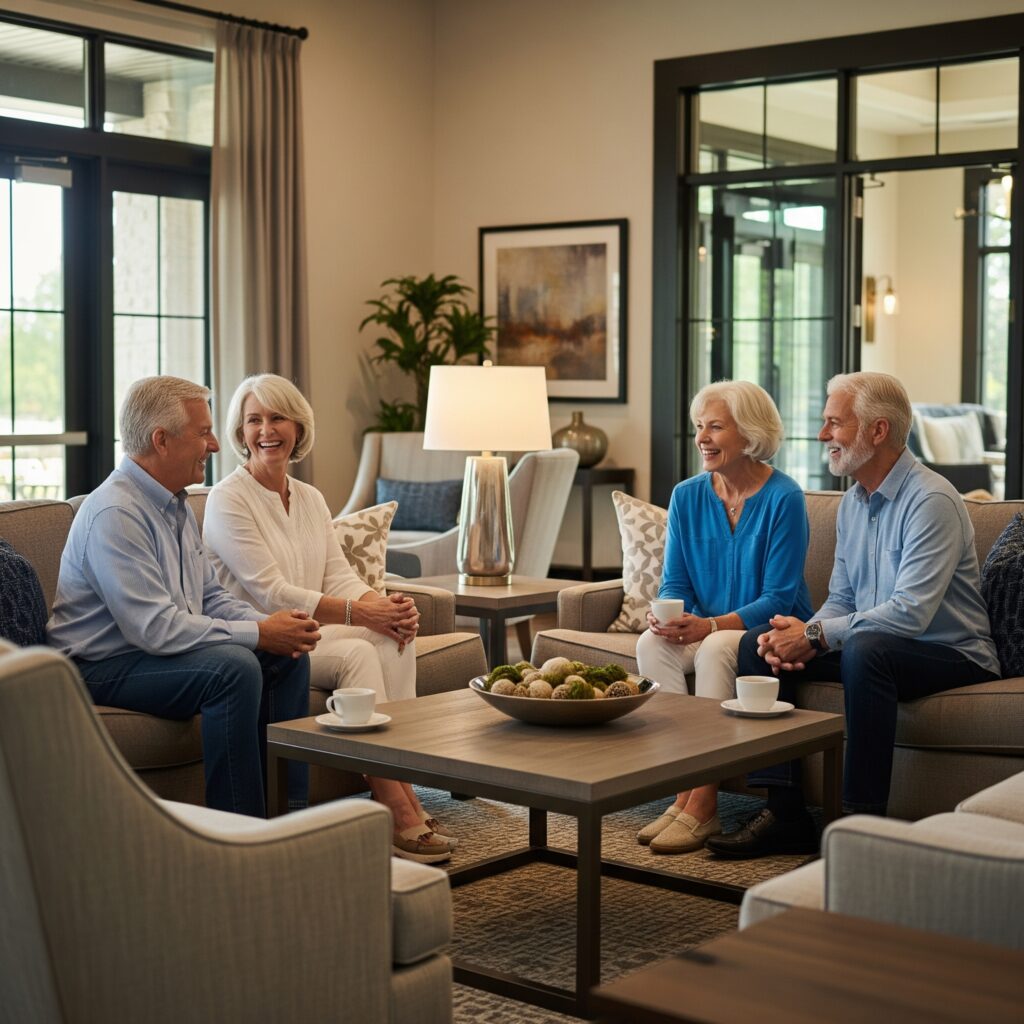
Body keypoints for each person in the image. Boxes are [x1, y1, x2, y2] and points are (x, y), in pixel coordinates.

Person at [707, 372, 1000, 859]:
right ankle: (786, 815)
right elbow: (842, 598)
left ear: (877, 431)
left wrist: (818, 634)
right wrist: (799, 635)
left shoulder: (932, 501)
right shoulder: (853, 503)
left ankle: (860, 826)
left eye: (834, 423)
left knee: (864, 650)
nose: (824, 435)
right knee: (758, 643)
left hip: (952, 653)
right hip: (882, 646)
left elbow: (910, 615)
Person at [202, 373, 455, 863]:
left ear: (298, 426)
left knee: (390, 637)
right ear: (240, 431)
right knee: (360, 647)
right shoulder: (227, 498)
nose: (266, 430)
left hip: (314, 630)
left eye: (277, 417)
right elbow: (270, 590)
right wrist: (361, 613)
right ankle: (394, 805)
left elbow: (338, 576)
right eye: (254, 419)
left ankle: (402, 782)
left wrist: (382, 608)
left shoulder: (311, 497)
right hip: (266, 641)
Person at [48, 376, 320, 818]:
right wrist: (256, 633)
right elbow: (154, 629)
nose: (214, 444)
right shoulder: (117, 512)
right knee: (232, 669)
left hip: (145, 652)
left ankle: (291, 817)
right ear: (162, 440)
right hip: (98, 666)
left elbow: (208, 595)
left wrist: (274, 628)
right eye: (203, 432)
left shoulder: (175, 503)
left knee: (288, 656)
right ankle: (239, 833)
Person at [635, 380, 812, 854]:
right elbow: (675, 582)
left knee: (715, 646)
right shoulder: (687, 496)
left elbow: (779, 598)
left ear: (749, 433)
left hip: (762, 630)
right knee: (649, 644)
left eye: (715, 427)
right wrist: (667, 617)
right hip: (705, 625)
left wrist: (709, 626)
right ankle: (681, 793)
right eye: (698, 427)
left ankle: (705, 803)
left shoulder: (785, 498)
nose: (702, 439)